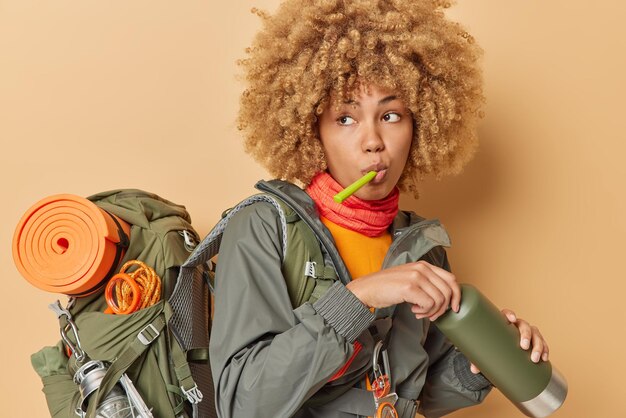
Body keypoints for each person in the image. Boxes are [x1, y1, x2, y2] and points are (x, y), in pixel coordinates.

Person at [209, 1, 550, 417]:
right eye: (346, 119)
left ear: (420, 125)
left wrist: (480, 365)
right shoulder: (263, 226)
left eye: (391, 115)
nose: (373, 141)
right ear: (310, 128)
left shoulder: (422, 246)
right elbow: (243, 404)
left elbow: (416, 394)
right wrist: (360, 297)